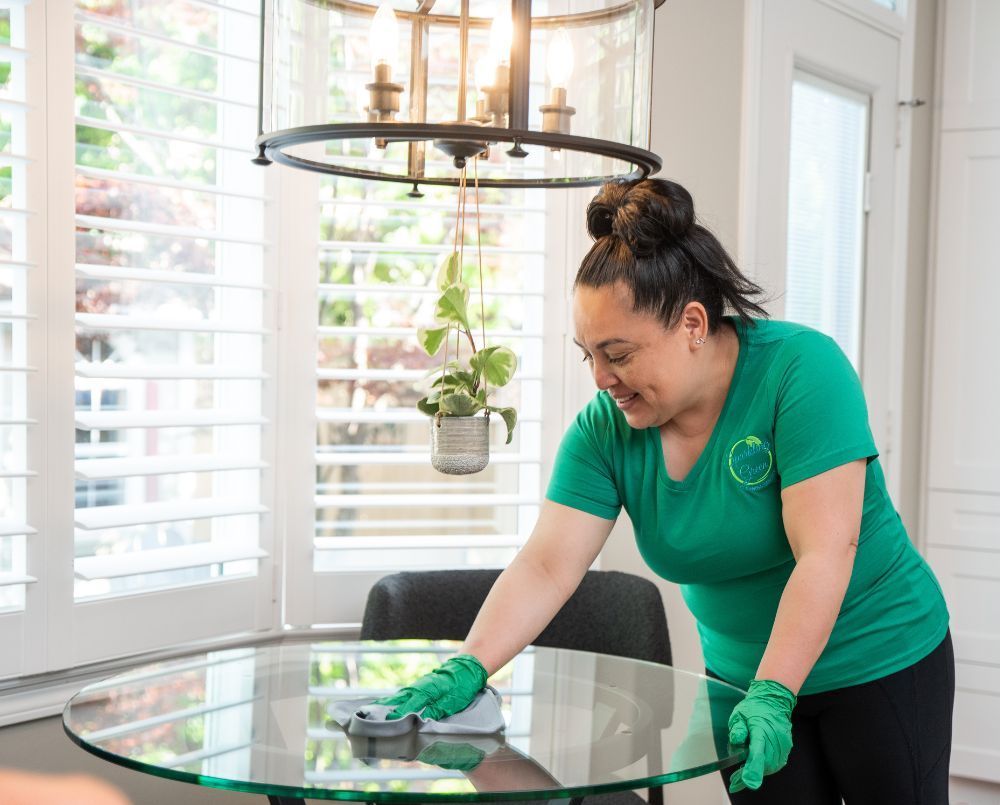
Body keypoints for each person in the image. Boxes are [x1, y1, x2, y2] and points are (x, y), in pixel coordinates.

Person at [377, 178, 953, 803]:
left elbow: (826, 551)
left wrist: (775, 690)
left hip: (878, 659)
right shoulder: (607, 432)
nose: (601, 378)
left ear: (693, 324)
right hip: (740, 684)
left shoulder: (801, 372)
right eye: (588, 355)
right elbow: (547, 566)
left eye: (618, 354)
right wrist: (472, 663)